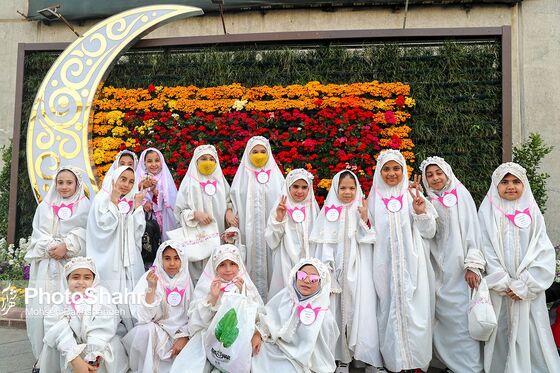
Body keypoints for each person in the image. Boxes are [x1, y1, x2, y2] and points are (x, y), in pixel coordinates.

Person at [479, 162, 560, 372]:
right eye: (504, 182)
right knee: (501, 331)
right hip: (501, 290)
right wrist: (501, 280)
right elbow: (483, 245)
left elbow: (543, 250)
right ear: (496, 185)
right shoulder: (487, 212)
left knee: (531, 331)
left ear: (524, 185)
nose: (510, 186)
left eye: (516, 181)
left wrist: (525, 285)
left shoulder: (532, 213)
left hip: (526, 292)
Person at [367, 149, 437, 373]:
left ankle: (416, 363)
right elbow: (366, 235)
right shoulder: (372, 199)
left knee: (416, 312)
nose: (391, 173)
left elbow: (429, 232)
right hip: (383, 268)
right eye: (386, 169)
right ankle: (394, 363)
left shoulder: (412, 195)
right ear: (379, 171)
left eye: (396, 168)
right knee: (387, 312)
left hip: (413, 267)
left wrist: (420, 212)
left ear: (403, 170)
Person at [420, 156, 485, 373]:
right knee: (439, 318)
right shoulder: (426, 199)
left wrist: (473, 264)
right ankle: (444, 363)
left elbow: (472, 230)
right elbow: (427, 233)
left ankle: (469, 367)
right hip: (435, 268)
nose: (435, 178)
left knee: (460, 320)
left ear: (447, 173)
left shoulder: (460, 194)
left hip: (459, 270)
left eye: (438, 173)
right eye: (429, 175)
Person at [312, 170, 381, 372]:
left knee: (361, 311)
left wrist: (364, 218)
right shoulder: (328, 211)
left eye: (352, 188)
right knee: (335, 313)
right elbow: (323, 243)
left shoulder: (361, 208)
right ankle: (339, 356)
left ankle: (362, 356)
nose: (347, 192)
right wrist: (327, 270)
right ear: (335, 189)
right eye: (343, 188)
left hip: (359, 270)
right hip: (335, 272)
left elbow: (368, 238)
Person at [25, 166, 91, 359]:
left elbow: (87, 233)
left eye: (69, 182)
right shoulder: (45, 206)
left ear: (77, 184)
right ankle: (42, 357)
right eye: (60, 182)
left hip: (70, 268)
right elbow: (37, 234)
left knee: (68, 310)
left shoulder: (84, 206)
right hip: (45, 267)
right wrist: (52, 246)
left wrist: (68, 245)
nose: (64, 187)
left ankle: (69, 357)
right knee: (42, 309)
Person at [170, 244, 264, 373]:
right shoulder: (208, 285)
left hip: (240, 336)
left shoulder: (245, 285)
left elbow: (259, 315)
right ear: (215, 267)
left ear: (239, 265)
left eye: (232, 264)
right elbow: (196, 321)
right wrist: (212, 298)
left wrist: (257, 333)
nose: (228, 269)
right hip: (210, 334)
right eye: (222, 265)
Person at [38, 256, 128, 373]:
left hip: (98, 342)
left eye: (87, 278)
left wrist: (92, 355)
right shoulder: (63, 298)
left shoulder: (101, 295)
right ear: (67, 279)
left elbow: (105, 324)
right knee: (51, 342)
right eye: (75, 277)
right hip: (72, 345)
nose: (81, 282)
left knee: (110, 346)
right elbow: (55, 325)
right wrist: (73, 355)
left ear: (93, 280)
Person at [86, 165, 146, 333]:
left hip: (129, 260)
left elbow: (137, 232)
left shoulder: (130, 201)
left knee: (131, 296)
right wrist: (112, 202)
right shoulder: (101, 199)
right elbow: (104, 227)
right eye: (123, 179)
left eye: (131, 181)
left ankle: (132, 334)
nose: (126, 184)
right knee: (111, 297)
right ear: (114, 179)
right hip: (110, 258)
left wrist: (138, 207)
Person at [252, 258, 339, 372]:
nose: (306, 281)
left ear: (321, 283)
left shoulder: (324, 316)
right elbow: (269, 318)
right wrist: (258, 334)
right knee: (254, 356)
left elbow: (323, 350)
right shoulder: (286, 297)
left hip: (302, 361)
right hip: (277, 346)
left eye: (313, 279)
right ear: (295, 276)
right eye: (302, 275)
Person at [123, 241, 193, 373]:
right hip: (157, 333)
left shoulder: (186, 279)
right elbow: (143, 318)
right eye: (167, 258)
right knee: (145, 330)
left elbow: (192, 314)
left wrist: (184, 336)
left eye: (176, 258)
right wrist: (152, 288)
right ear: (160, 259)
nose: (172, 263)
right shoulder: (150, 278)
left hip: (180, 334)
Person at [229, 136, 284, 301]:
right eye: (254, 152)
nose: (259, 155)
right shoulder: (241, 178)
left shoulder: (277, 178)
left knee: (272, 269)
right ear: (248, 153)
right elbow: (230, 199)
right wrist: (229, 212)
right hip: (248, 234)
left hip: (270, 236)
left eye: (262, 152)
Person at [174, 145, 235, 283]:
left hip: (218, 235)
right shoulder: (189, 183)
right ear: (196, 161)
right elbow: (179, 211)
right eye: (203, 159)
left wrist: (229, 212)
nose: (207, 162)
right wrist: (195, 214)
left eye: (211, 159)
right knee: (199, 276)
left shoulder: (221, 182)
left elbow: (229, 201)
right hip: (197, 237)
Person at [265, 168, 320, 298]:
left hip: (309, 258)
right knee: (285, 292)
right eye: (295, 186)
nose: (299, 191)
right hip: (285, 258)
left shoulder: (313, 209)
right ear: (288, 187)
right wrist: (279, 219)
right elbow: (272, 240)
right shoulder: (280, 207)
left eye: (304, 187)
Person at [136, 147, 178, 241]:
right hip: (146, 218)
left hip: (165, 217)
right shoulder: (139, 177)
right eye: (149, 161)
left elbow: (171, 199)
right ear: (144, 163)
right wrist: (144, 203)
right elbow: (134, 196)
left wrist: (155, 192)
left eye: (157, 160)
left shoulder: (165, 178)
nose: (154, 164)